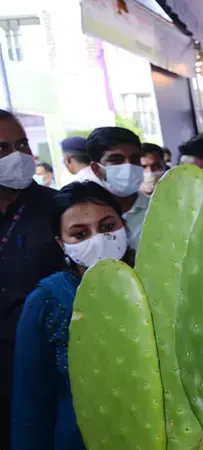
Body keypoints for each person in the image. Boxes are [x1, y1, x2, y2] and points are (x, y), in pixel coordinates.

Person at [12, 181, 132, 450]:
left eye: (107, 226)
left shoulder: (154, 285)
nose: (97, 239)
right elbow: (31, 405)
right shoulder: (47, 301)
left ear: (123, 224)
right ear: (61, 244)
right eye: (80, 234)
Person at [0, 109, 63, 449]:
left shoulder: (56, 208)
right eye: (2, 149)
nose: (18, 156)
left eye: (22, 144)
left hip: (47, 358)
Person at [85, 127, 148, 251]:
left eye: (135, 159)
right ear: (96, 169)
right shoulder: (85, 215)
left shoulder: (159, 209)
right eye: (116, 160)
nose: (128, 166)